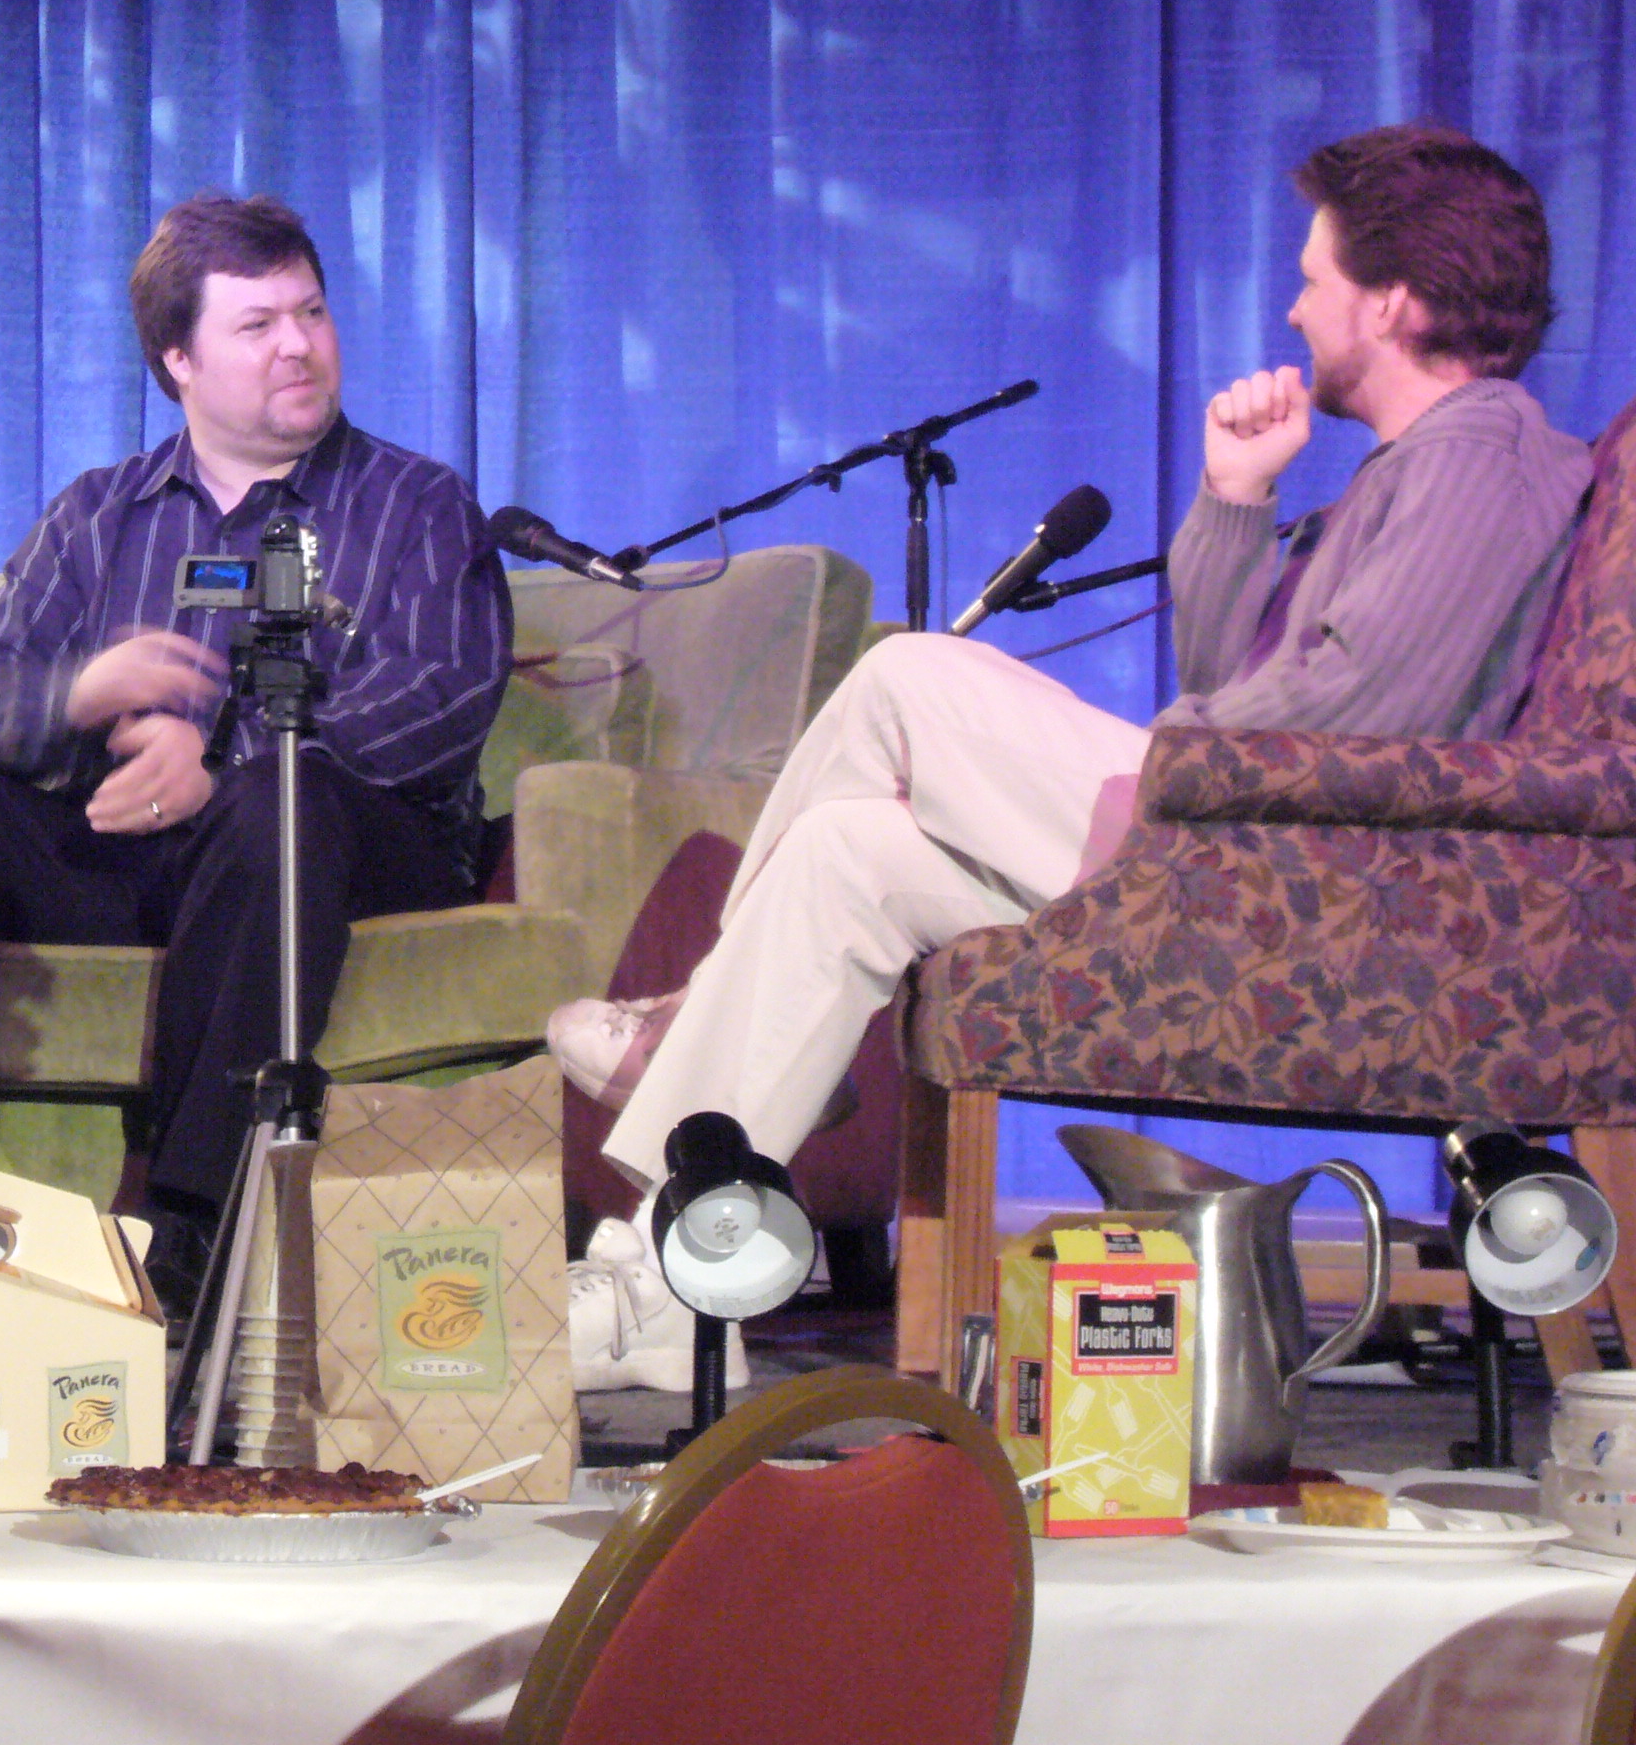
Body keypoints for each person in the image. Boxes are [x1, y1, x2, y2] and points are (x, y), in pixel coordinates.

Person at [557, 123, 1595, 1391]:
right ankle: (663, 1289)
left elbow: (1359, 723)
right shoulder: (1414, 469)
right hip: (1242, 836)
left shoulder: (1480, 458)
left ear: (1387, 302)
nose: (1292, 307)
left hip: (1290, 879)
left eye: (1312, 278)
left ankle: (688, 1015)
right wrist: (1234, 497)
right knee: (843, 857)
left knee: (903, 675)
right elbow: (1234, 677)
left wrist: (1174, 750)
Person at [0, 193, 512, 1310]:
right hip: (127, 849)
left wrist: (219, 758)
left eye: (312, 313)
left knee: (279, 799)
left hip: (340, 850)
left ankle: (187, 1234)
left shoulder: (416, 504)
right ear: (178, 359)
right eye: (257, 324)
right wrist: (81, 691)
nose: (298, 345)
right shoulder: (102, 515)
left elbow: (437, 706)